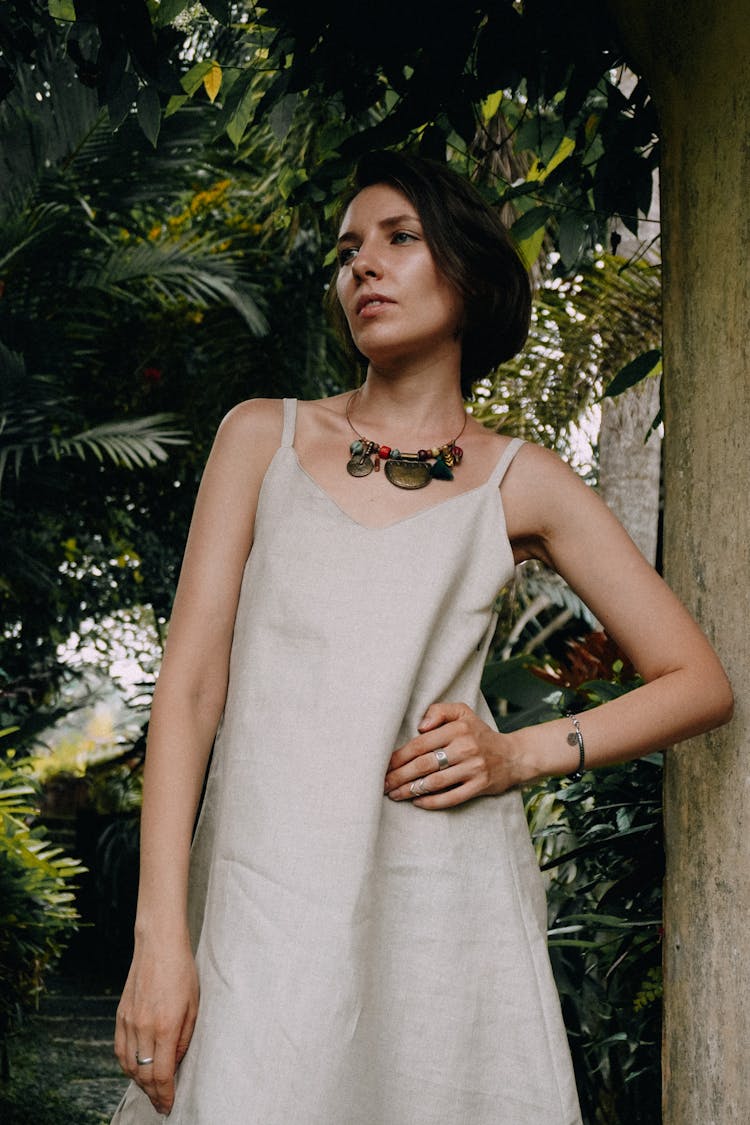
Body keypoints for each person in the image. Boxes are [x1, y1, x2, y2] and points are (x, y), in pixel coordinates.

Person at [111, 151, 732, 1124]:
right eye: (350, 248)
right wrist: (160, 940)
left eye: (400, 238)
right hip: (266, 910)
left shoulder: (522, 481)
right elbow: (188, 693)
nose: (364, 264)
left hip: (445, 914)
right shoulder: (260, 440)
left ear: (469, 273)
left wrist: (517, 751)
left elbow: (696, 679)